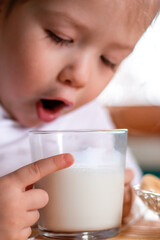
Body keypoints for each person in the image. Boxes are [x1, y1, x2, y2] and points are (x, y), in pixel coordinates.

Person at [0, 0, 159, 239]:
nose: (81, 76)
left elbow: (143, 209)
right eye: (60, 37)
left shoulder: (91, 120)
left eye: (109, 60)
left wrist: (128, 207)